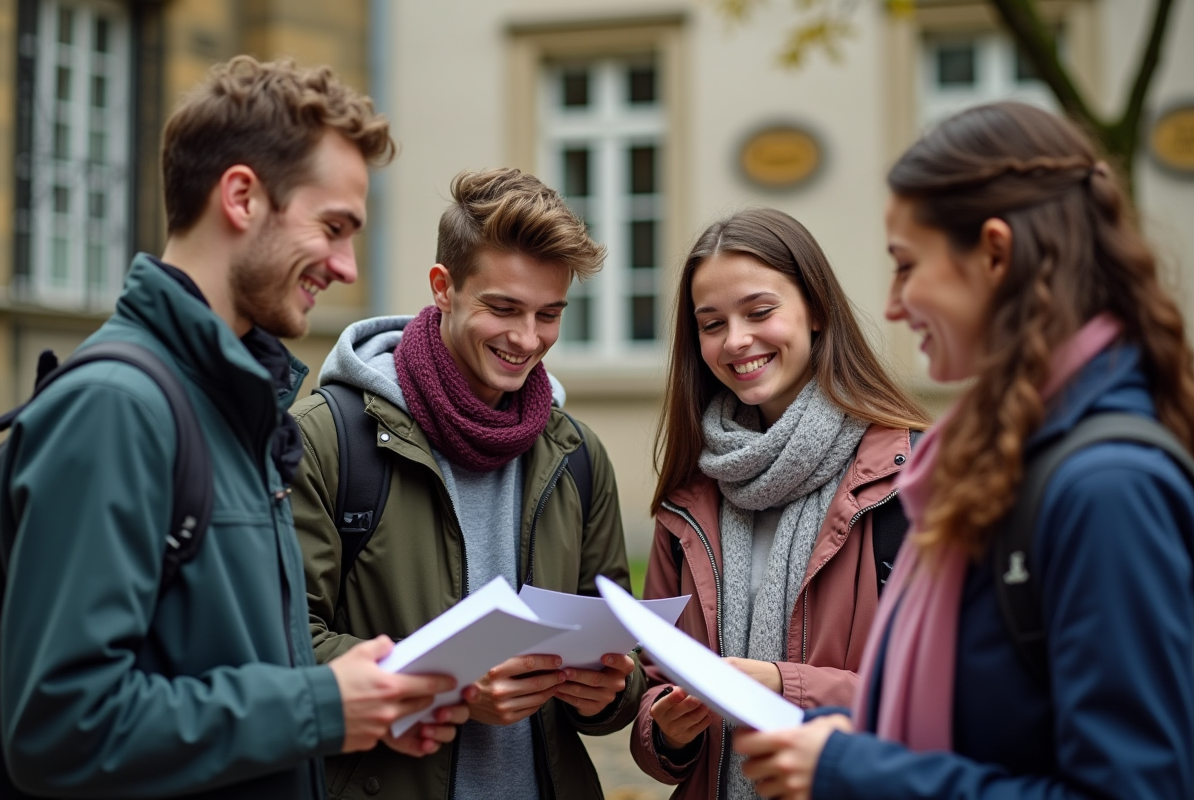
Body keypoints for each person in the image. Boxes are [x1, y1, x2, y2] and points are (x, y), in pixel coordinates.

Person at [0, 57, 469, 800]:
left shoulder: (233, 403)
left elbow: (214, 670)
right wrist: (320, 706)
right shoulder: (114, 410)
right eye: (332, 228)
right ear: (241, 196)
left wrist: (355, 708)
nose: (347, 267)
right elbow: (63, 728)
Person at [733, 101, 1194, 800]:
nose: (893, 305)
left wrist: (855, 771)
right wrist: (841, 738)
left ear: (995, 254)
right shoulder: (999, 457)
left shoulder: (1107, 486)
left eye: (906, 265)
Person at [290, 166, 644, 800]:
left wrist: (611, 691)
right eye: (502, 308)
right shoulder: (325, 439)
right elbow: (282, 647)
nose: (527, 339)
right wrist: (445, 681)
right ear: (443, 288)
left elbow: (620, 654)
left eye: (549, 315)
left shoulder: (577, 454)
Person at [630, 207, 931, 799]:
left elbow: (944, 697)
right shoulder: (689, 495)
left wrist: (783, 686)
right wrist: (666, 730)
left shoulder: (914, 480)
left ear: (816, 310)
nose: (736, 340)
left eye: (760, 311)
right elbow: (657, 683)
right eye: (711, 323)